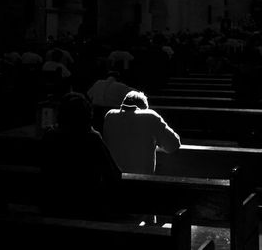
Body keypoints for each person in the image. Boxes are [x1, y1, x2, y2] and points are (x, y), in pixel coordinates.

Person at [40, 91, 122, 219]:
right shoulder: (92, 138)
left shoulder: (50, 136)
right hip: (86, 207)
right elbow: (113, 173)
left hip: (53, 204)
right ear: (87, 115)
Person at [102, 90, 181, 174]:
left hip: (114, 179)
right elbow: (173, 145)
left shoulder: (109, 116)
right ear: (144, 109)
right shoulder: (150, 116)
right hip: (141, 180)